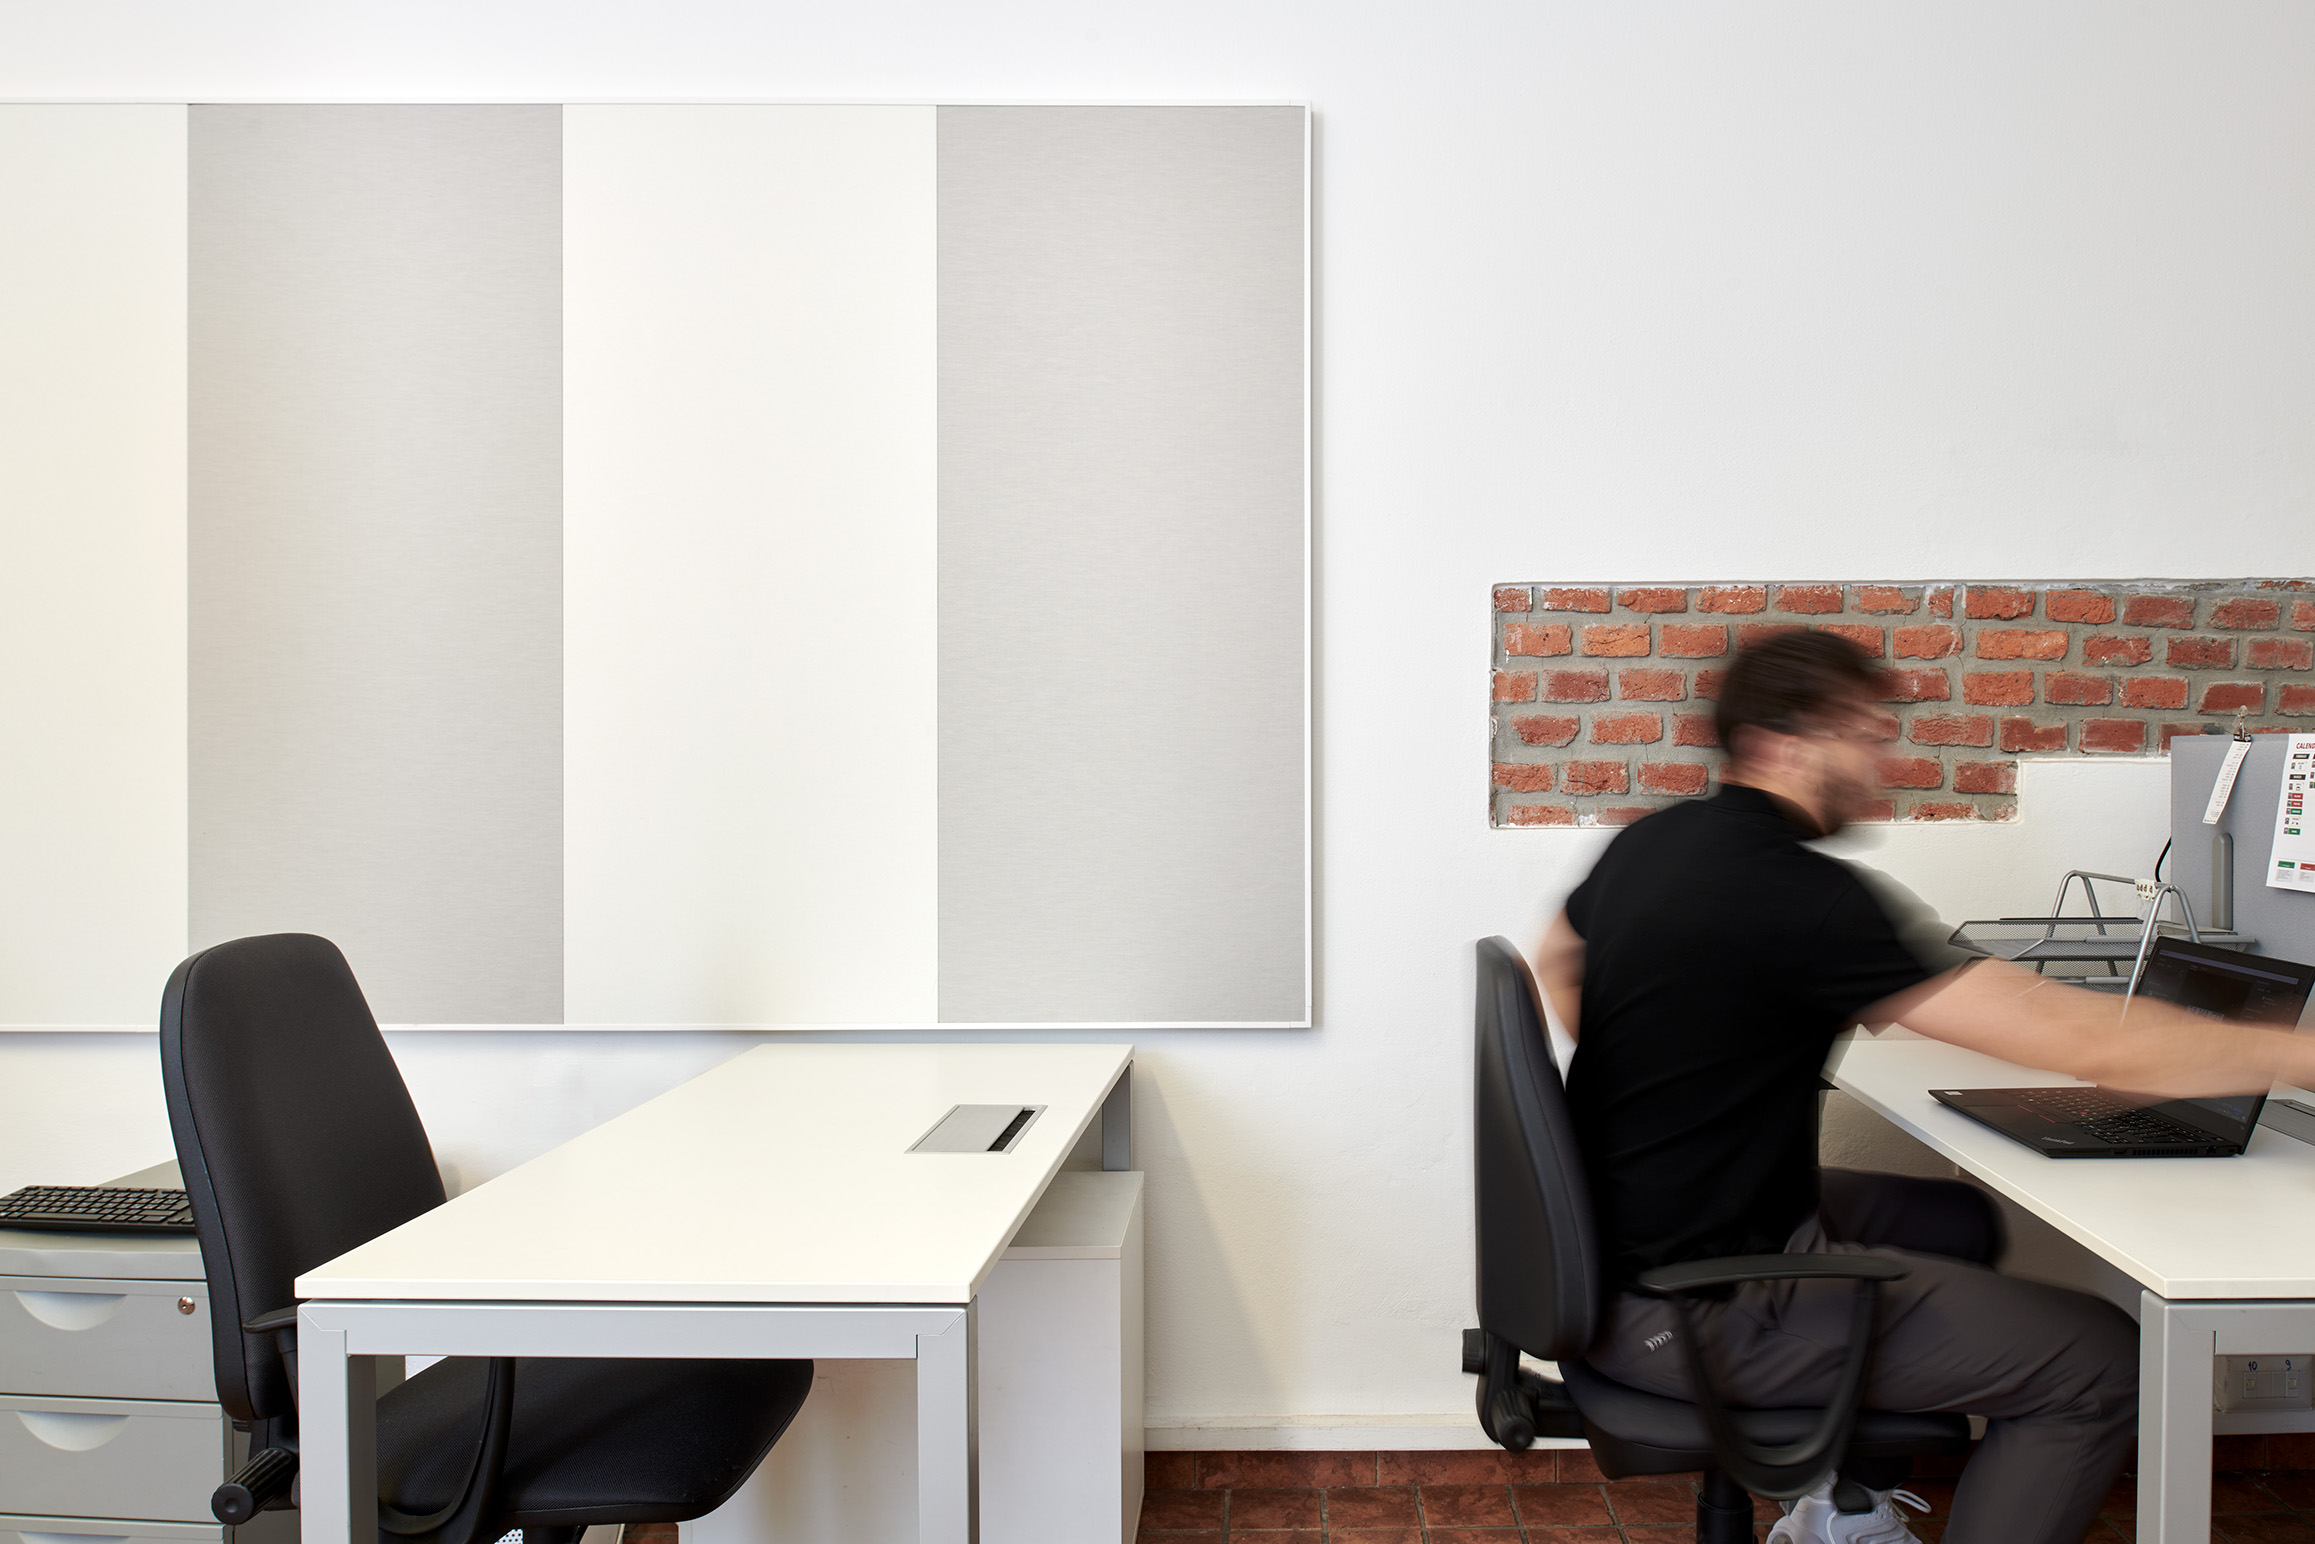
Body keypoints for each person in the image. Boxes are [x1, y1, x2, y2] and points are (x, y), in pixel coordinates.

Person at [1529, 630, 2315, 1544]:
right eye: (1865, 732)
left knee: (1958, 1221)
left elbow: (1556, 963)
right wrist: (2295, 1056)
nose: (1884, 759)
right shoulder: (1808, 898)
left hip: (1615, 1253)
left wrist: (1678, 1080)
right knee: (2105, 1364)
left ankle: (1839, 1509)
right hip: (1696, 1310)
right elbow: (2075, 1037)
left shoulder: (1653, 843)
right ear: (1784, 743)